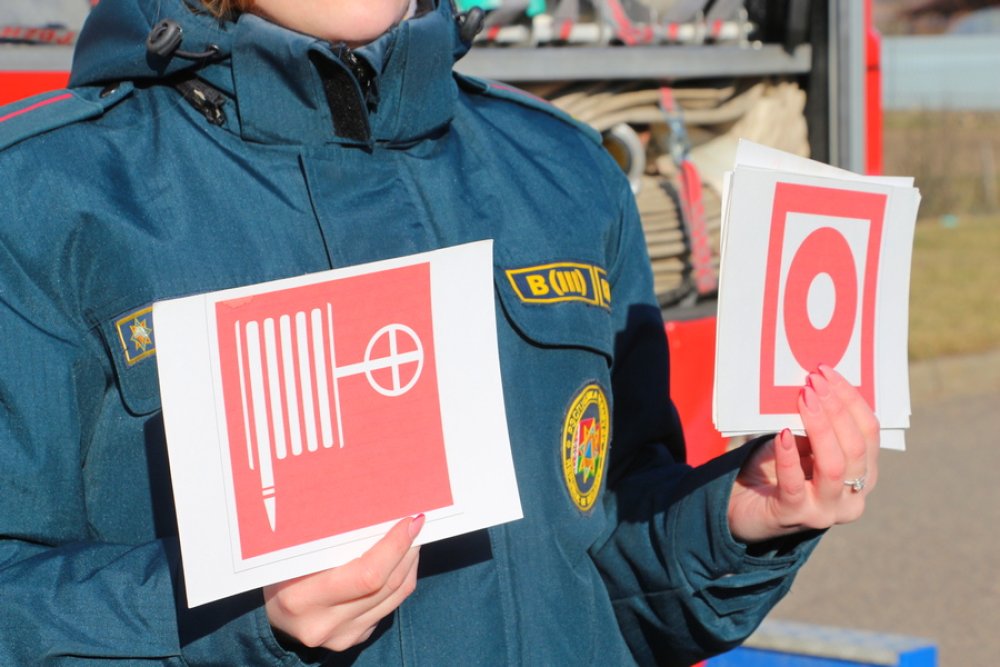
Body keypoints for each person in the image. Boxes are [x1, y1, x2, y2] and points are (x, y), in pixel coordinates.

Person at [0, 0, 879, 664]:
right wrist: (233, 614)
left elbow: (607, 582)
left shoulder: (565, 175)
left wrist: (741, 519)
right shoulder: (44, 202)